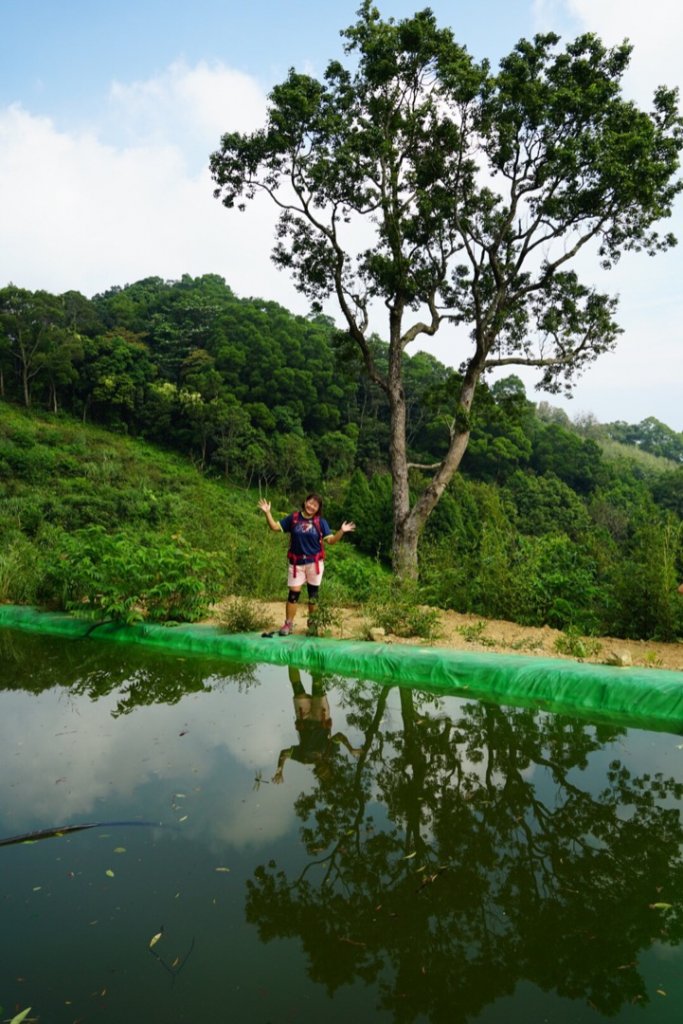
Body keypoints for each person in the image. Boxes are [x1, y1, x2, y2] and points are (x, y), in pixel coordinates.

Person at [258, 493, 355, 635]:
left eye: (315, 505)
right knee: (293, 594)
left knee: (313, 595)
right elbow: (274, 527)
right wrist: (267, 513)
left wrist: (342, 531)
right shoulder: (294, 518)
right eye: (310, 503)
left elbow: (331, 541)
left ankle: (312, 623)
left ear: (318, 508)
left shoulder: (320, 522)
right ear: (305, 502)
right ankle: (288, 624)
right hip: (296, 563)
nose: (311, 506)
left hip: (314, 564)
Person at [272, 667, 362, 782]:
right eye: (325, 772)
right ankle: (316, 658)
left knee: (297, 687)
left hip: (303, 718)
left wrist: (279, 770)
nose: (321, 771)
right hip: (321, 718)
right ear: (328, 767)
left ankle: (291, 657)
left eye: (320, 774)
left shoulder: (304, 758)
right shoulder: (330, 752)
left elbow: (284, 753)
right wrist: (351, 748)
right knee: (317, 686)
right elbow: (339, 736)